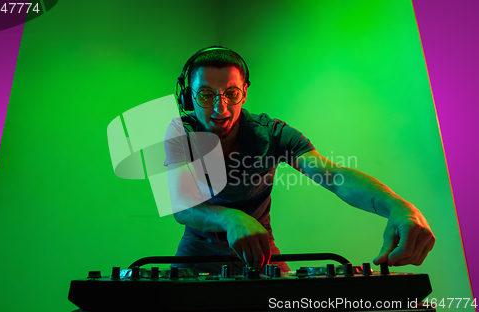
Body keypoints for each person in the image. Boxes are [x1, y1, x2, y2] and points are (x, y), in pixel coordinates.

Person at [163, 46, 435, 275]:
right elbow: (182, 206)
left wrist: (397, 206)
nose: (220, 107)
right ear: (188, 97)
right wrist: (231, 218)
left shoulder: (272, 134)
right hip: (196, 253)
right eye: (207, 94)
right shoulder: (180, 133)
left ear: (244, 93)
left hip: (261, 253)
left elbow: (333, 176)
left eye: (231, 93)